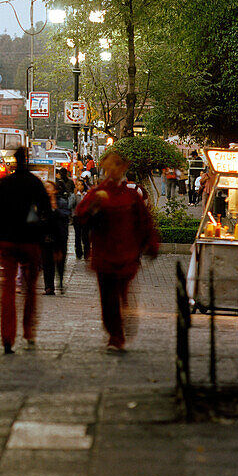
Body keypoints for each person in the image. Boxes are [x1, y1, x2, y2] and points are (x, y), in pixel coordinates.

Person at [74, 151, 159, 352]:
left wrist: (151, 245)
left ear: (122, 168)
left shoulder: (131, 195)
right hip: (104, 254)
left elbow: (145, 222)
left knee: (120, 293)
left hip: (127, 255)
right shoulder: (96, 192)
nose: (111, 170)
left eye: (115, 165)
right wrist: (94, 207)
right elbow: (81, 217)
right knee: (108, 297)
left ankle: (121, 323)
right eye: (107, 166)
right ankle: (115, 333)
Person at [0, 146, 53, 353]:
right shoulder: (34, 183)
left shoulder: (6, 183)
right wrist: (45, 235)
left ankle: (7, 336)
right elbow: (46, 211)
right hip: (30, 240)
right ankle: (28, 330)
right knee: (30, 289)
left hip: (8, 241)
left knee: (8, 291)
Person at [53, 168, 75, 293]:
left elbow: (65, 215)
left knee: (60, 261)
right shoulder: (46, 202)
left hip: (60, 235)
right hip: (51, 236)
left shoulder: (61, 202)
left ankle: (60, 282)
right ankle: (50, 285)